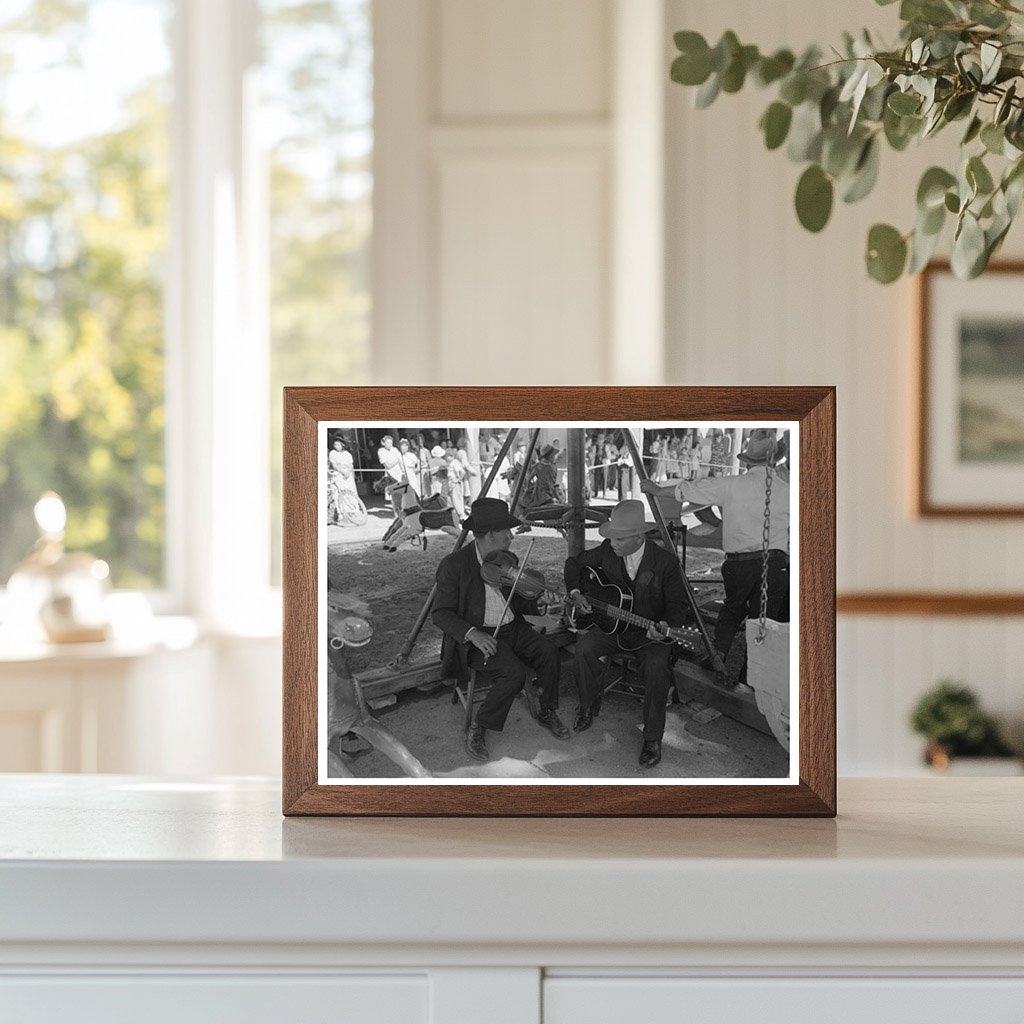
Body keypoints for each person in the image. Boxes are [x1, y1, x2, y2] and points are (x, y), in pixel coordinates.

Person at [641, 432, 790, 687]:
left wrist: (654, 489)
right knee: (763, 621)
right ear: (775, 461)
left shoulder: (732, 484)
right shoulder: (787, 491)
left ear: (747, 461)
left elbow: (689, 490)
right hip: (775, 564)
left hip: (740, 564)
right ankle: (751, 677)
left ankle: (717, 655)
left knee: (732, 609)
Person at [433, 498, 568, 761]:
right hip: (478, 638)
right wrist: (473, 633)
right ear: (489, 535)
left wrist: (538, 600)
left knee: (548, 651)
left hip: (512, 628)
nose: (511, 536)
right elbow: (440, 614)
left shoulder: (507, 560)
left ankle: (547, 710)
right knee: (513, 673)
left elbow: (517, 600)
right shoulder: (454, 565)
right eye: (505, 531)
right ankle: (478, 727)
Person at [564, 499, 687, 768]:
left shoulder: (665, 562)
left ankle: (653, 738)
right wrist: (576, 594)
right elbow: (574, 564)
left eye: (619, 538)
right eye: (611, 537)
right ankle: (587, 706)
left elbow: (678, 606)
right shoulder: (608, 550)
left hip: (649, 634)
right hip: (612, 627)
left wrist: (664, 628)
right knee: (584, 650)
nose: (613, 542)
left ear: (639, 536)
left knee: (657, 666)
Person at [328, 439, 368, 527]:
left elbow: (351, 465)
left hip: (348, 475)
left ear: (342, 445)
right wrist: (342, 471)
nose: (337, 446)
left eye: (338, 444)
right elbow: (334, 465)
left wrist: (348, 472)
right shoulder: (333, 453)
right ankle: (342, 514)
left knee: (351, 492)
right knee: (340, 493)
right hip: (339, 474)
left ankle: (353, 511)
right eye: (335, 445)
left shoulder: (347, 454)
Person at [377, 435, 405, 515]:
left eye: (391, 443)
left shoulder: (395, 450)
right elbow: (388, 465)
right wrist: (397, 459)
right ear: (383, 443)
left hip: (398, 474)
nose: (390, 445)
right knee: (393, 496)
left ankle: (401, 511)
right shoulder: (381, 451)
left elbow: (401, 461)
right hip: (390, 475)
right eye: (388, 443)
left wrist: (403, 470)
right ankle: (396, 513)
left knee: (401, 494)